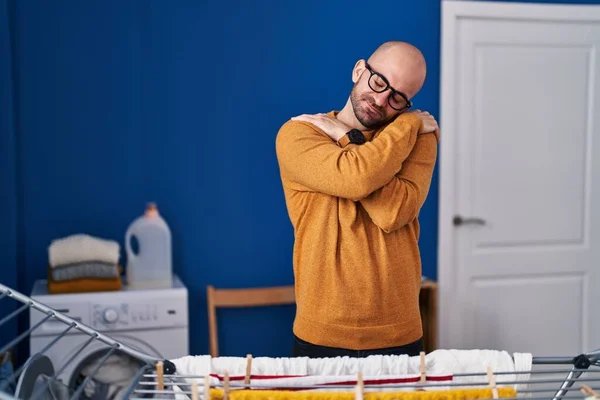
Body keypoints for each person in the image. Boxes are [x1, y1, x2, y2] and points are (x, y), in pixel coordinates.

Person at [275, 41, 440, 359]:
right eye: (379, 81)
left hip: (398, 332)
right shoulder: (300, 134)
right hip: (322, 331)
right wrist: (407, 124)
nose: (381, 100)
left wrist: (346, 136)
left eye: (398, 99)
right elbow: (356, 179)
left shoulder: (419, 136)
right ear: (358, 70)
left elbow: (393, 212)